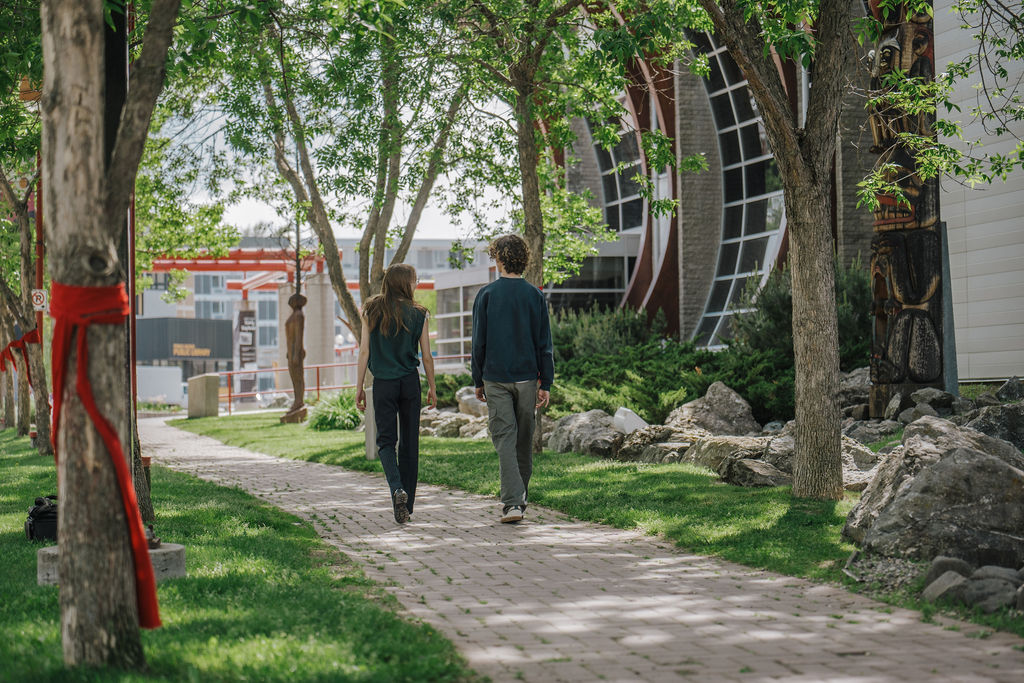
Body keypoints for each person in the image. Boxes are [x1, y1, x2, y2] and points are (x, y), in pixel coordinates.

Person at [471, 234, 553, 524]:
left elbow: (478, 342)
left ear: (499, 259)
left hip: (495, 378)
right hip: (527, 379)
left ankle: (514, 503)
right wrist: (546, 382)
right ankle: (517, 499)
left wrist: (477, 379)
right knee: (522, 440)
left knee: (505, 438)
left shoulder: (486, 295)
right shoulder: (535, 296)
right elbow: (544, 343)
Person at [356, 264, 437, 524]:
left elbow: (364, 351)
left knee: (386, 442)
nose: (416, 284)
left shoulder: (371, 310)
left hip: (384, 384)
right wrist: (432, 386)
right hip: (409, 383)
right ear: (404, 283)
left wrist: (359, 387)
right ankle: (407, 506)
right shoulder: (419, 313)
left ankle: (396, 488)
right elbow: (426, 356)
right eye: (414, 280)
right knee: (410, 443)